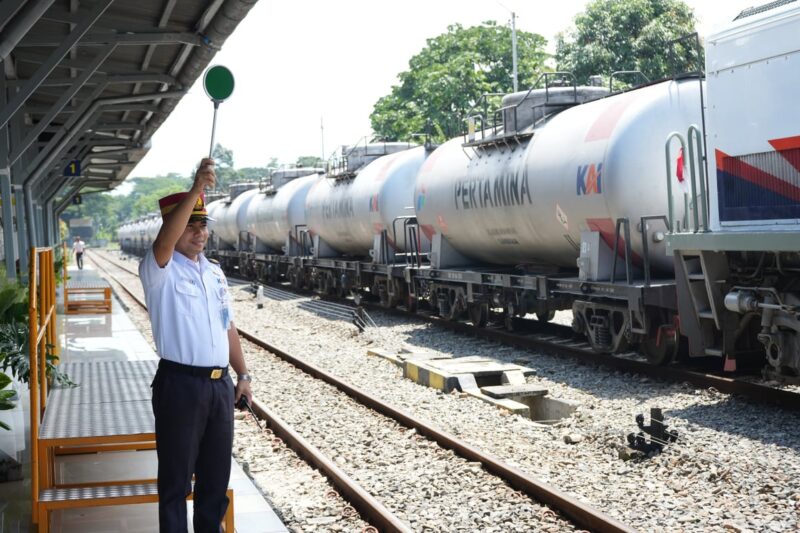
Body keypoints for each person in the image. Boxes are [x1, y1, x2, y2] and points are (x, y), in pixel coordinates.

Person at [139, 158, 253, 532]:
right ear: (174, 228)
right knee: (175, 484)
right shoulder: (160, 268)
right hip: (180, 385)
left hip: (219, 387)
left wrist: (243, 375)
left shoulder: (215, 271)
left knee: (214, 484)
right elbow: (164, 242)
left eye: (203, 225)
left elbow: (227, 326)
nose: (200, 232)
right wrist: (195, 190)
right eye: (191, 225)